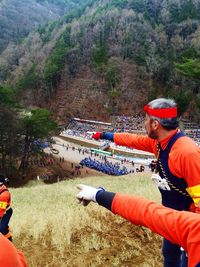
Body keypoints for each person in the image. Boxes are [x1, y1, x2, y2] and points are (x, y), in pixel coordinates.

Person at [91, 98, 200, 267]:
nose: (144, 124)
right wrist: (105, 135)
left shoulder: (187, 153)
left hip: (188, 225)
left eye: (146, 120)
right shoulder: (159, 143)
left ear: (155, 124)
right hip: (168, 216)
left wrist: (192, 240)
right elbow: (132, 140)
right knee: (169, 255)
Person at [76, 184, 200, 267]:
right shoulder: (194, 227)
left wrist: (97, 195)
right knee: (169, 253)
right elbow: (147, 213)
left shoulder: (185, 153)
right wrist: (98, 195)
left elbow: (147, 212)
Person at [0, 174, 13, 241]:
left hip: (6, 212)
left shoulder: (4, 195)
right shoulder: (1, 188)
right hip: (1, 210)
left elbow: (1, 210)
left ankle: (10, 241)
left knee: (1, 228)